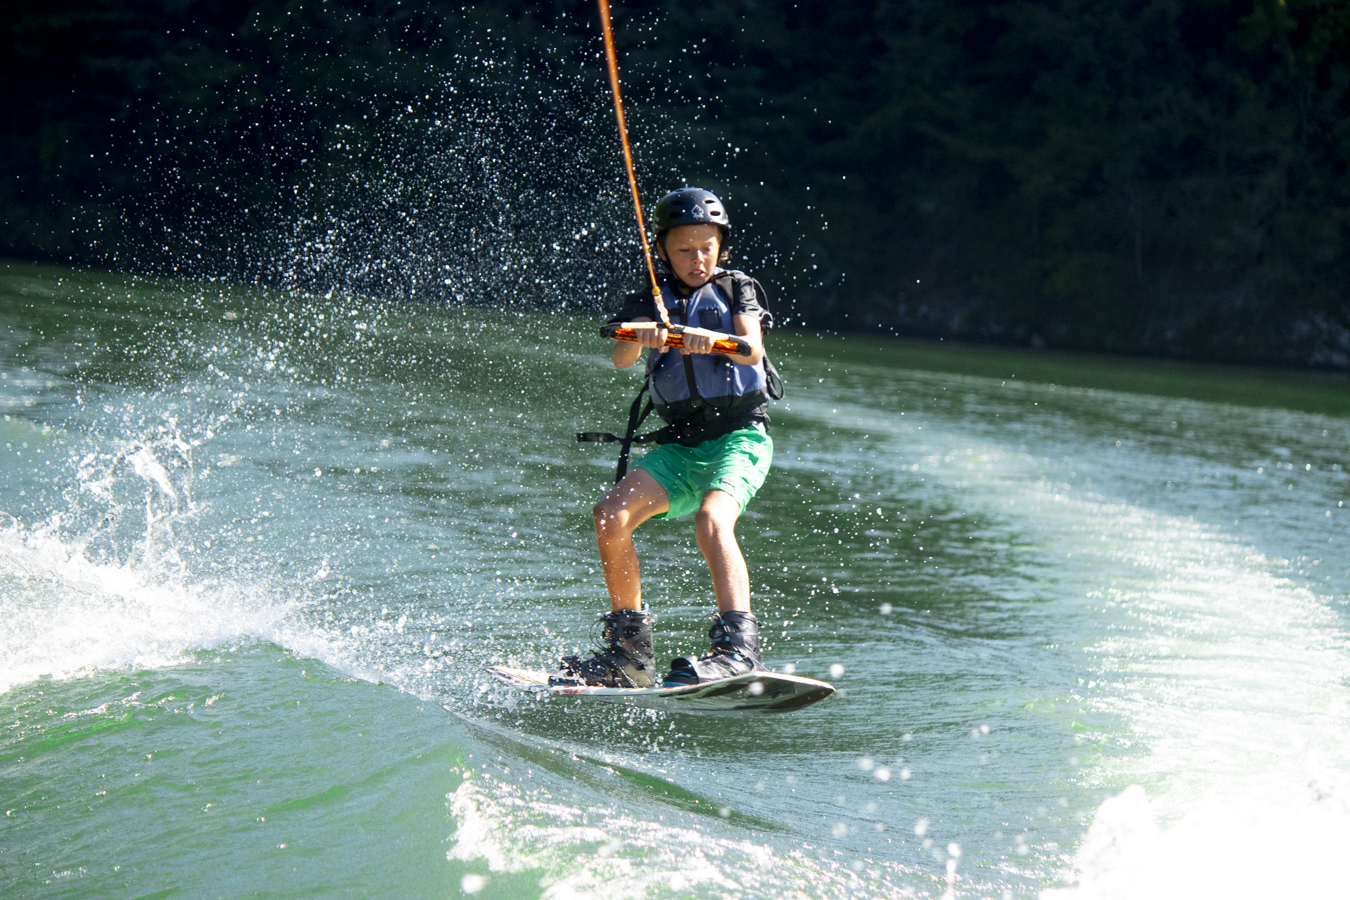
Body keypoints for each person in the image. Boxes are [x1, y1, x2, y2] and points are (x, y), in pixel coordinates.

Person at [556, 187, 778, 689]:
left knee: (712, 518)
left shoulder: (736, 288)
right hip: (680, 447)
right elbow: (621, 358)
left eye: (707, 248)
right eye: (684, 249)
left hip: (739, 437)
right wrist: (642, 334)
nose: (697, 259)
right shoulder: (649, 298)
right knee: (609, 515)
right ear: (662, 250)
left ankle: (740, 651)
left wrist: (712, 340)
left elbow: (750, 349)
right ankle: (630, 657)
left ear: (721, 247)